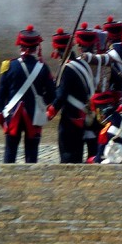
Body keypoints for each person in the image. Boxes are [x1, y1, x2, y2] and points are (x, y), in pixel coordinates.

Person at [0, 25, 56, 164]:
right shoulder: (43, 68)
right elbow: (52, 96)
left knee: (10, 152)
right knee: (31, 154)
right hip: (34, 115)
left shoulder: (9, 65)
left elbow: (1, 93)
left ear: (20, 46)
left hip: (12, 115)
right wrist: (41, 100)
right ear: (36, 47)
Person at [47, 24, 100, 164]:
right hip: (84, 115)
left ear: (58, 51)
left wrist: (51, 111)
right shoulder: (82, 64)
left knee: (68, 155)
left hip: (71, 117)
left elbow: (62, 95)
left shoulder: (68, 68)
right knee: (77, 152)